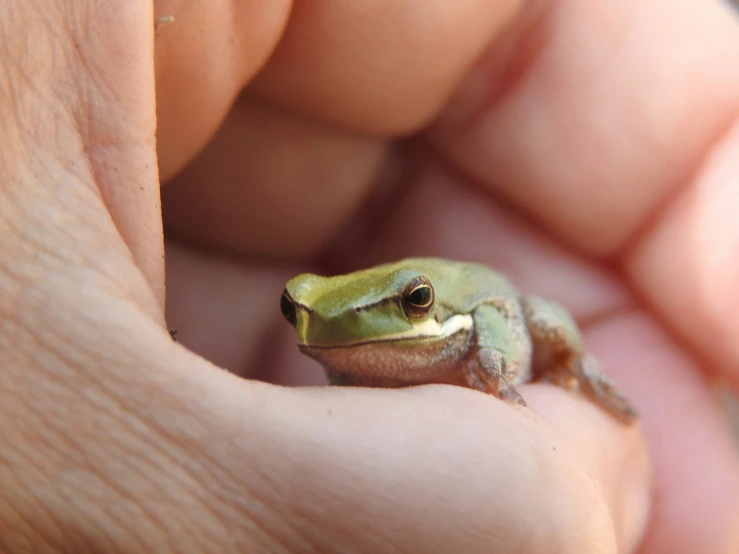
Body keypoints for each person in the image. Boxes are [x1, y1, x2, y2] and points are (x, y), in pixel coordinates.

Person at [2, 1, 738, 552]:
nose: (315, 324)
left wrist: (495, 364)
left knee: (546, 315)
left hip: (482, 314)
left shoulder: (455, 314)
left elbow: (500, 310)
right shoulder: (339, 352)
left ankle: (574, 362)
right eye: (299, 311)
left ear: (420, 301)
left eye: (411, 301)